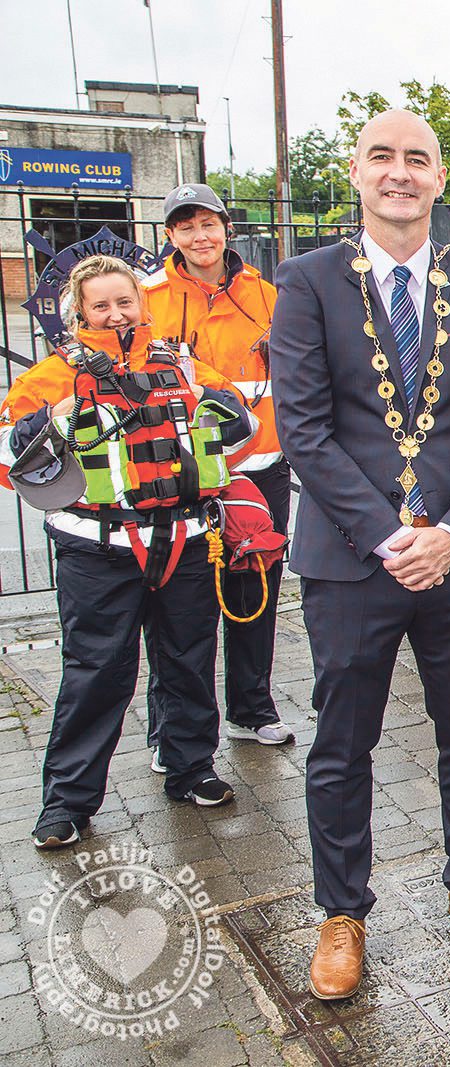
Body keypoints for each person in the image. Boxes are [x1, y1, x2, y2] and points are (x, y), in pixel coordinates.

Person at [272, 110, 450, 1000]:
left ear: (439, 178)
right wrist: (391, 538)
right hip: (353, 561)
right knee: (343, 743)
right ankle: (342, 913)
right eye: (382, 156)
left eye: (416, 159)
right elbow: (304, 430)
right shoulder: (306, 281)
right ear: (355, 171)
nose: (399, 172)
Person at [0, 255, 257, 848]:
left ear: (142, 304)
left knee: (189, 661)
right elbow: (14, 459)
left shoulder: (180, 364)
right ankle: (67, 801)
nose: (116, 313)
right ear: (79, 313)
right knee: (95, 674)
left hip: (186, 541)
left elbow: (242, 432)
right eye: (101, 305)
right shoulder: (51, 375)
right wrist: (53, 418)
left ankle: (190, 768)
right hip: (99, 550)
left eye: (125, 301)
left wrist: (203, 395)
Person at [143, 182, 294, 766]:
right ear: (171, 236)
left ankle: (251, 709)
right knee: (180, 605)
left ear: (226, 228)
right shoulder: (149, 297)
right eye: (186, 227)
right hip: (185, 477)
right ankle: (171, 729)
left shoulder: (267, 295)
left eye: (209, 224)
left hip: (260, 466)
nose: (200, 236)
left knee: (255, 585)